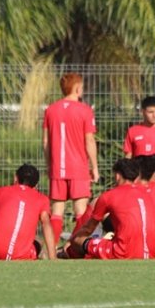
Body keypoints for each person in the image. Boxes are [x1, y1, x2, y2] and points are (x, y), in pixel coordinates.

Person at [66, 158, 155, 260]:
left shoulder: (108, 196)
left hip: (122, 252)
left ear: (117, 176)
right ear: (136, 178)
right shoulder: (149, 196)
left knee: (79, 240)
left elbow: (88, 229)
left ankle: (66, 254)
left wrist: (72, 241)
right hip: (153, 252)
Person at [43, 73, 100, 243]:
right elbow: (89, 140)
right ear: (76, 88)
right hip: (78, 168)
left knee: (56, 212)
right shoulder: (85, 110)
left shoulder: (51, 110)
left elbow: (45, 142)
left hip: (57, 168)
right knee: (80, 212)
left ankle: (50, 250)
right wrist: (94, 167)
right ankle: (74, 247)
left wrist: (49, 165)